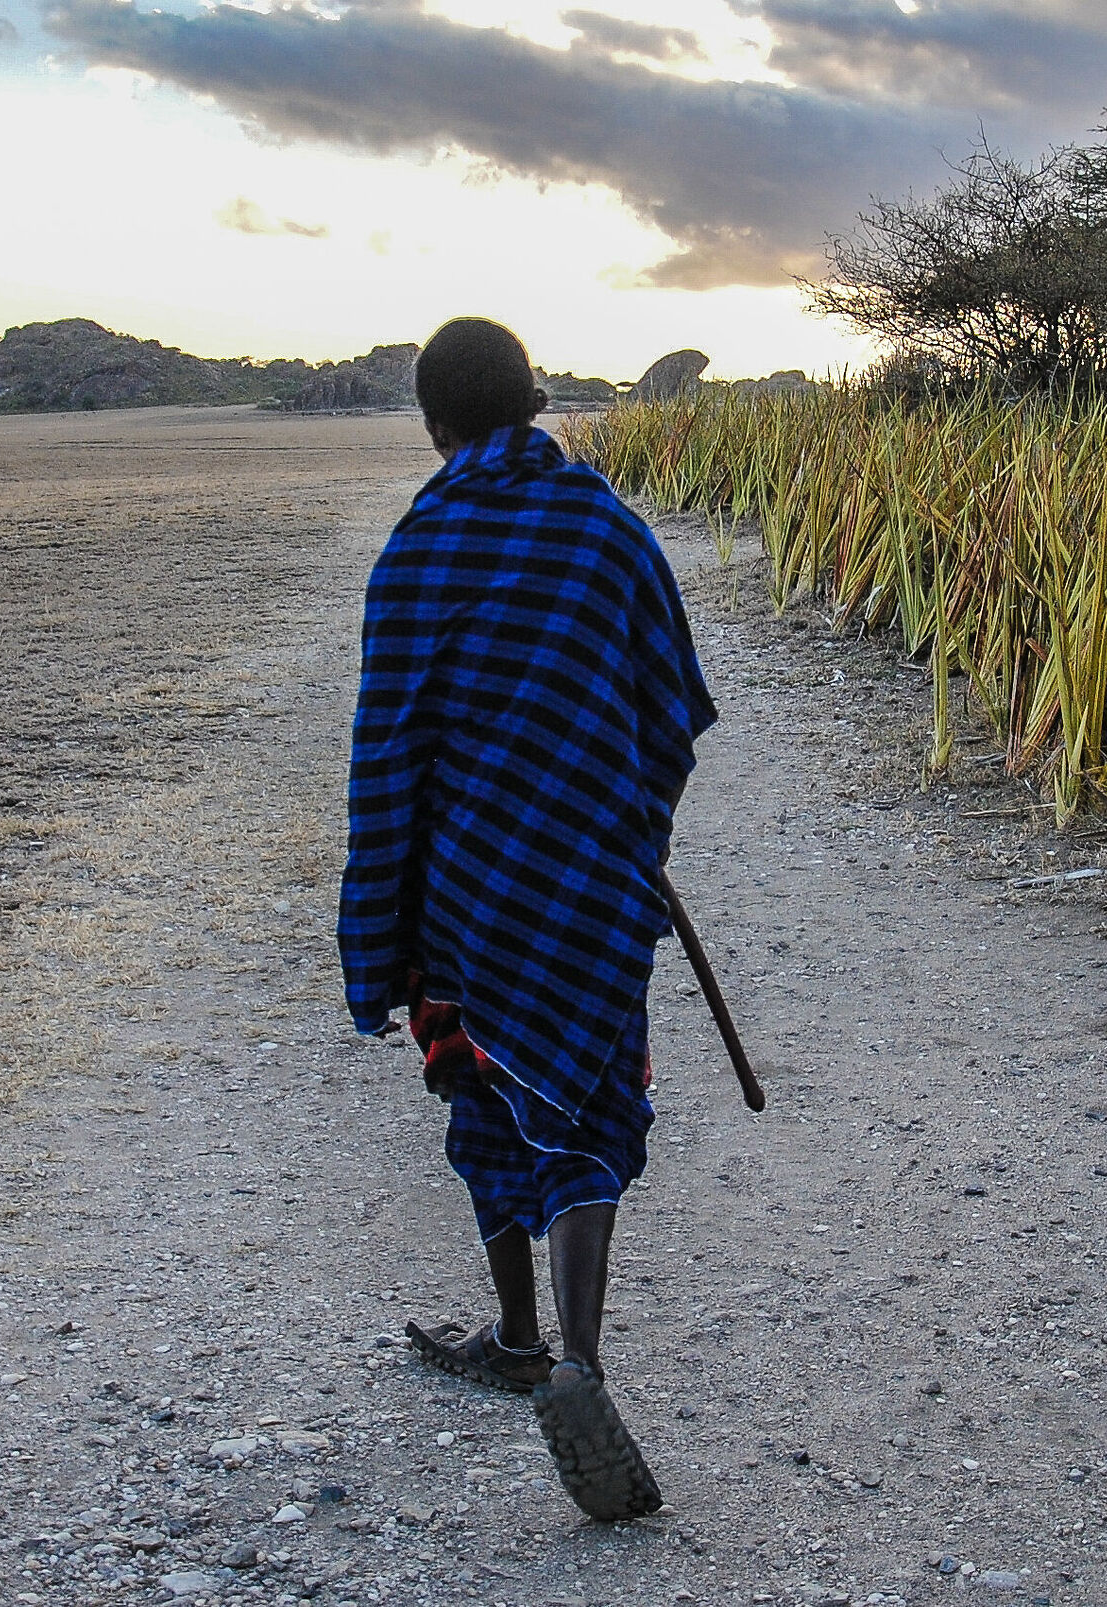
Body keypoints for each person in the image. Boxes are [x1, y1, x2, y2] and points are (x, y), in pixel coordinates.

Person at [336, 317, 716, 1521]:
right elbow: (670, 709)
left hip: (468, 889)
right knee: (587, 1103)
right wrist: (636, 828)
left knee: (481, 1083)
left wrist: (377, 933)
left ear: (434, 426)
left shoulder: (419, 547)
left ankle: (515, 1333)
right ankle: (573, 1359)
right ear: (537, 401)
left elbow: (386, 755)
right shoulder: (607, 528)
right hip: (592, 881)